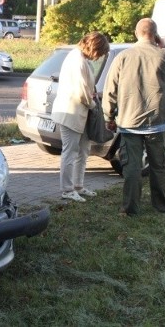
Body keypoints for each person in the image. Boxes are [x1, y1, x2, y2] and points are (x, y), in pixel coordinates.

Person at [102, 18, 165, 215]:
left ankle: (130, 208)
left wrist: (109, 116)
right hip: (158, 122)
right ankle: (162, 206)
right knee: (159, 166)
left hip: (129, 122)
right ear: (156, 35)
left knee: (131, 167)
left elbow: (110, 90)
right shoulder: (164, 54)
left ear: (136, 33)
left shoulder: (123, 57)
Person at [51, 32, 110, 202]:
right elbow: (82, 92)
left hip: (81, 114)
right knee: (70, 152)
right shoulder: (77, 61)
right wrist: (93, 106)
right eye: (99, 52)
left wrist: (93, 98)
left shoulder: (81, 59)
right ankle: (67, 190)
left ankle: (78, 186)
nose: (98, 57)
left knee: (83, 151)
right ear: (93, 47)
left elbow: (87, 89)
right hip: (71, 113)